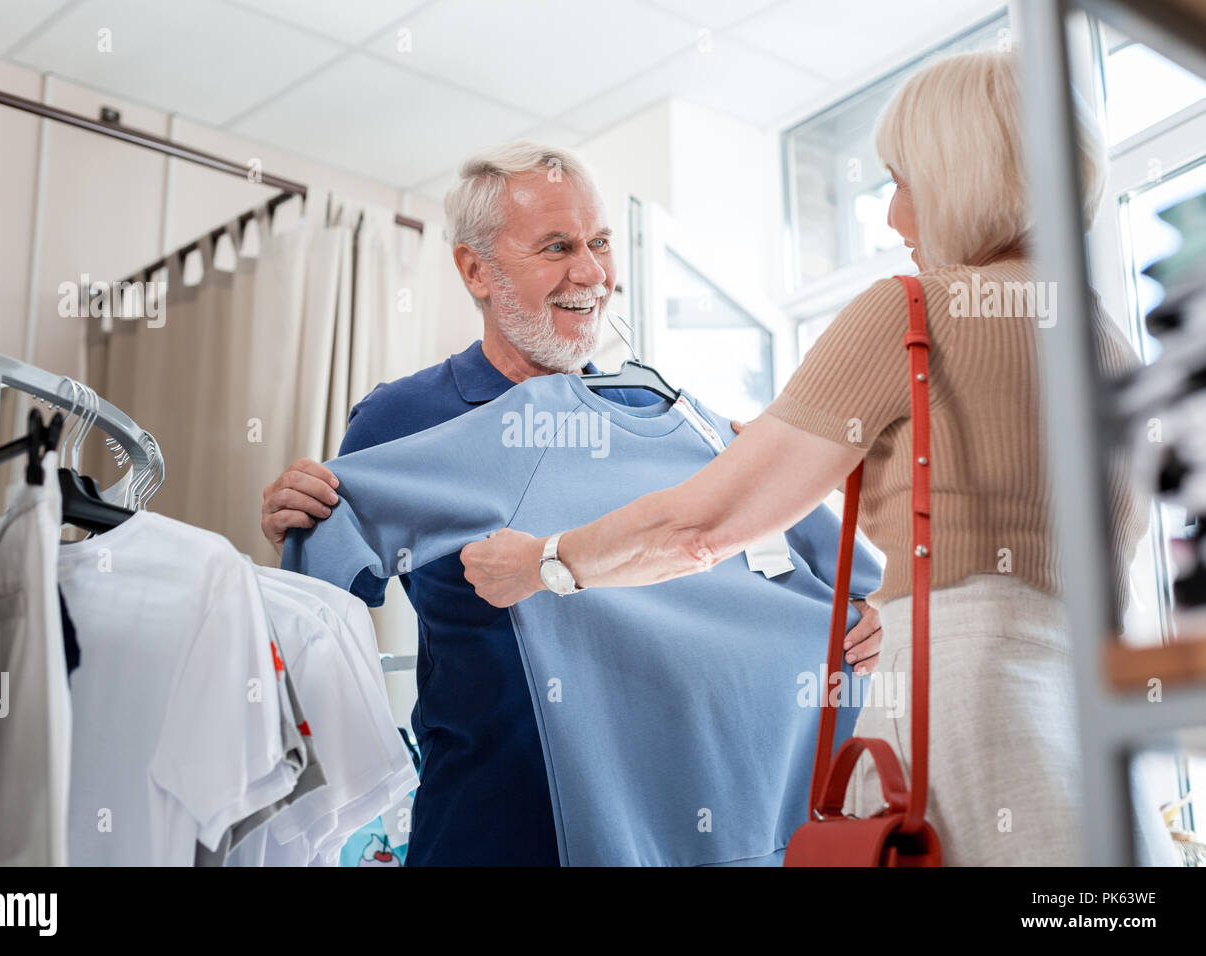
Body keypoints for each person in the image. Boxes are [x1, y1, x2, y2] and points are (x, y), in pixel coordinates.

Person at [460, 52, 1149, 866]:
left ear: (961, 176)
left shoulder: (913, 313)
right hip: (1099, 737)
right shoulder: (1118, 354)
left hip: (965, 723)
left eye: (902, 180)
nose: (894, 218)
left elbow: (698, 526)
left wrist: (546, 562)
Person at [261, 141, 885, 866]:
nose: (590, 273)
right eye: (557, 247)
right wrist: (296, 522)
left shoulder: (688, 429)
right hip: (488, 826)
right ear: (475, 270)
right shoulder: (404, 418)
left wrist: (856, 621)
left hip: (687, 831)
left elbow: (828, 580)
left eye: (599, 244)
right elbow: (323, 602)